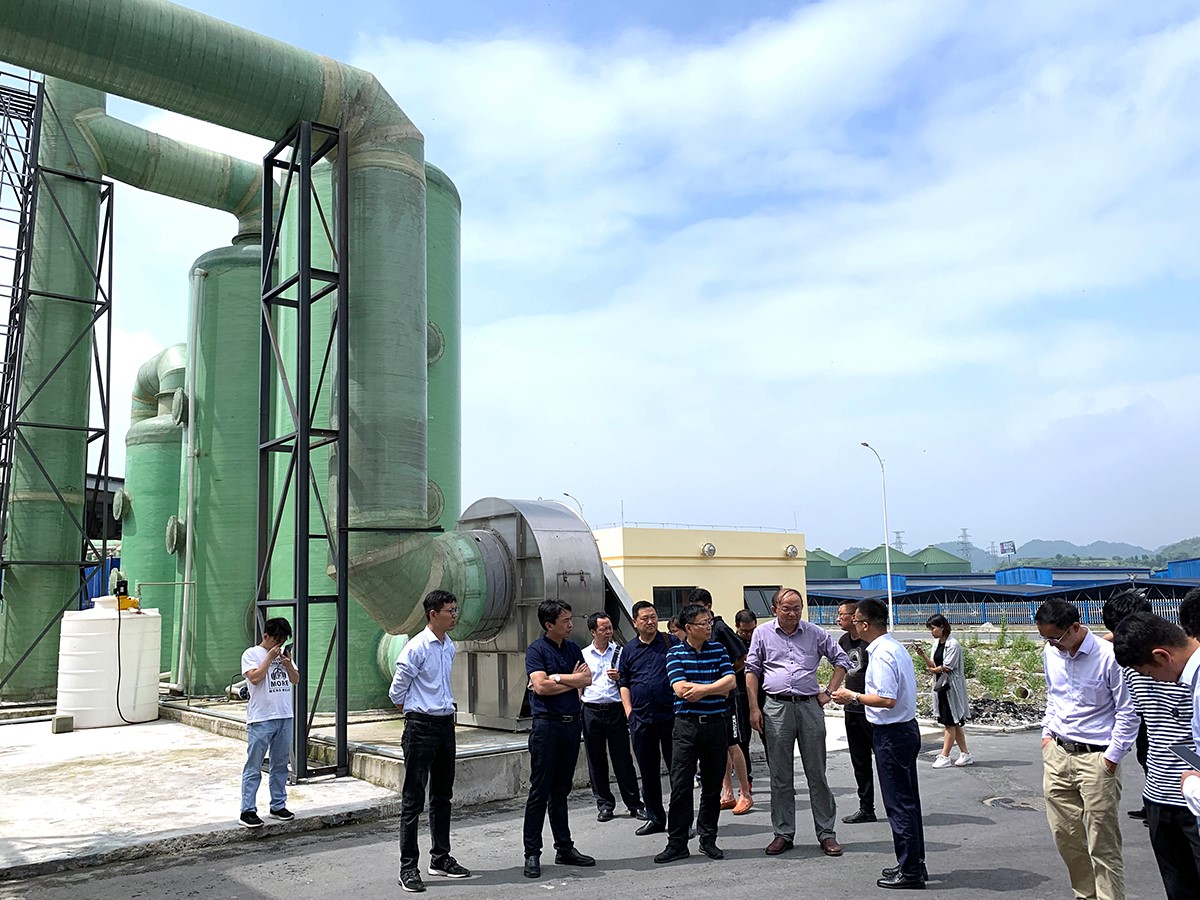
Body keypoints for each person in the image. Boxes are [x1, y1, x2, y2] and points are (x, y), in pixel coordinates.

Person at [1035, 598, 1139, 900]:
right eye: (1046, 638)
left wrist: (1112, 757)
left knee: (1102, 843)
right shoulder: (1051, 653)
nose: (1052, 644)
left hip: (1097, 758)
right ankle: (1085, 895)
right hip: (1057, 753)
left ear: (1075, 627)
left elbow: (1128, 711)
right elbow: (1053, 696)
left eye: (1056, 637)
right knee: (1066, 837)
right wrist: (1046, 734)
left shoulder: (1109, 657)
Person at [746, 586, 849, 858]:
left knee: (817, 774)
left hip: (809, 707)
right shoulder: (762, 633)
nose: (792, 613)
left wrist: (828, 693)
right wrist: (754, 708)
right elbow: (752, 670)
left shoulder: (815, 632)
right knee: (780, 776)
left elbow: (841, 660)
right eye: (787, 608)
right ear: (774, 609)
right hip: (776, 707)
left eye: (797, 608)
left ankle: (826, 833)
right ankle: (783, 833)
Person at [1106, 603, 1200, 900]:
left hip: (1193, 798)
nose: (1152, 679)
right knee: (1178, 887)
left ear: (1161, 655)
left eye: (1150, 673)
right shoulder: (1135, 668)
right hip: (1159, 795)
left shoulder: (1191, 676)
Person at [832, 598, 926, 890]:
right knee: (907, 802)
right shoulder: (892, 648)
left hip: (892, 733)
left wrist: (852, 696)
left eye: (855, 620)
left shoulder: (883, 654)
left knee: (899, 804)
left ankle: (910, 870)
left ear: (864, 624)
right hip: (901, 730)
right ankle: (913, 863)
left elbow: (886, 699)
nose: (853, 625)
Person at [389, 590, 471, 893]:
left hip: (445, 725)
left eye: (455, 609)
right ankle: (408, 867)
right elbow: (397, 691)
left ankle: (440, 857)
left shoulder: (449, 645)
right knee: (413, 800)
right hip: (421, 727)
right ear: (433, 614)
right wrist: (415, 711)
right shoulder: (417, 647)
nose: (454, 615)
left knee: (442, 796)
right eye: (450, 610)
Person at [654, 603, 736, 864]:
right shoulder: (675, 654)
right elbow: (680, 689)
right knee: (680, 786)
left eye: (709, 621)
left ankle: (708, 838)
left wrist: (701, 690)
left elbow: (730, 682)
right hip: (686, 727)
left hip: (715, 725)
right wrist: (714, 687)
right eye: (703, 623)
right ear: (688, 628)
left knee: (712, 786)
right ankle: (677, 842)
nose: (709, 626)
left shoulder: (718, 649)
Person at [522, 599, 596, 879]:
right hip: (547, 727)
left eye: (570, 619)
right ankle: (532, 852)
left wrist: (557, 679)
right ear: (548, 624)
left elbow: (587, 679)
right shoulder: (536, 650)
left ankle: (564, 847)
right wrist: (568, 680)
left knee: (561, 791)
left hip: (571, 725)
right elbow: (540, 687)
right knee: (540, 790)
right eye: (565, 621)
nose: (570, 625)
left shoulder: (573, 648)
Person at [688, 588, 752, 815]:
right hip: (708, 700)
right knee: (720, 746)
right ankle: (727, 793)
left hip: (727, 698)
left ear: (709, 607)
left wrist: (725, 677)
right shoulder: (693, 638)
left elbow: (742, 656)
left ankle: (745, 793)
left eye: (702, 610)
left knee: (733, 744)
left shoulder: (720, 628)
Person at [618, 600, 679, 836]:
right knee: (648, 772)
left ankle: (681, 821)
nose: (651, 621)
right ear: (635, 622)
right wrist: (629, 712)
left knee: (678, 771)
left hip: (671, 717)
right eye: (645, 618)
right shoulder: (629, 650)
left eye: (653, 616)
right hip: (641, 720)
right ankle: (655, 818)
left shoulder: (670, 642)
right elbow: (624, 682)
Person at [581, 612, 645, 822]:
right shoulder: (584, 654)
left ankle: (634, 804)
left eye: (610, 628)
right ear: (593, 631)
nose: (608, 632)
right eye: (603, 629)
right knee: (596, 759)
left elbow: (631, 677)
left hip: (615, 709)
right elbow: (579, 682)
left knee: (623, 759)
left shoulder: (620, 651)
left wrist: (620, 677)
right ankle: (604, 804)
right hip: (591, 709)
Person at [239, 616, 299, 829]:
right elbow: (255, 678)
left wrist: (287, 664)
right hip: (261, 719)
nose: (279, 644)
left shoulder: (283, 655)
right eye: (276, 640)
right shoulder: (251, 654)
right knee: (254, 765)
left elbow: (295, 679)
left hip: (284, 715)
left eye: (282, 641)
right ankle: (247, 810)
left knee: (280, 764)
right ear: (266, 636)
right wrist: (269, 658)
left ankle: (278, 805)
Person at [913, 615, 972, 769]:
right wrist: (923, 656)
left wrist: (933, 670)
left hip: (950, 688)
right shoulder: (937, 643)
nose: (932, 632)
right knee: (954, 722)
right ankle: (965, 753)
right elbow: (934, 664)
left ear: (942, 627)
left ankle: (944, 755)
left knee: (949, 723)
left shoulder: (953, 645)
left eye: (933, 628)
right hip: (941, 686)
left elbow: (946, 667)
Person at [837, 600, 876, 823]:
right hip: (851, 708)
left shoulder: (869, 642)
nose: (838, 619)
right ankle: (866, 807)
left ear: (854, 617)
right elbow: (841, 668)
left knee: (883, 759)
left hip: (871, 708)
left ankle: (895, 805)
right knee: (859, 761)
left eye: (842, 614)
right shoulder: (843, 641)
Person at [734, 608, 762, 782]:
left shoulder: (760, 639)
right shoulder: (732, 642)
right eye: (745, 631)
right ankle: (747, 779)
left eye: (752, 630)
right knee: (743, 739)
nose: (749, 634)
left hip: (762, 693)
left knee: (771, 738)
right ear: (737, 627)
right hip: (741, 694)